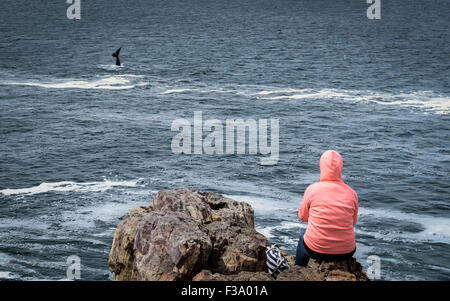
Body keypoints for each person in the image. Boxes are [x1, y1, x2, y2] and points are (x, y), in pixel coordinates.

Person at [295, 150, 358, 267]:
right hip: (346, 251)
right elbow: (352, 222)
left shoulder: (312, 189)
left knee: (303, 237)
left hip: (316, 250)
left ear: (321, 167)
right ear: (340, 168)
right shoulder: (352, 193)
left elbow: (302, 217)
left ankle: (298, 270)